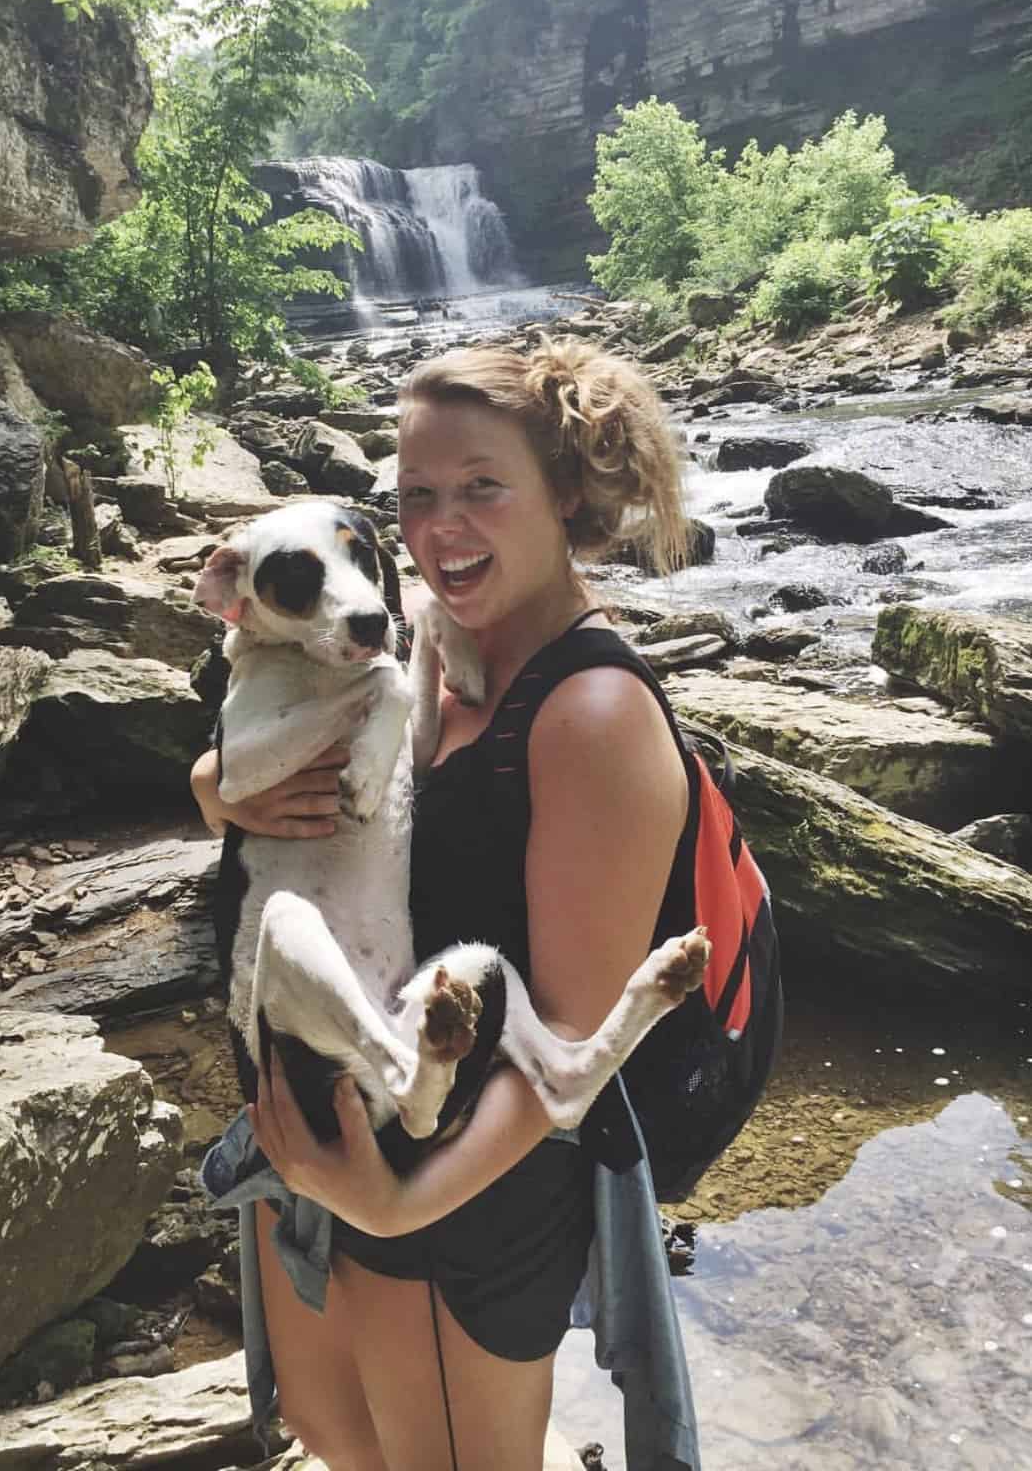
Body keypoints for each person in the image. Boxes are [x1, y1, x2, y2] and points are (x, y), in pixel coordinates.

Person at [190, 337, 702, 1471]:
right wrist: (217, 789)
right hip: (330, 1125)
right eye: (418, 496)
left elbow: (568, 1039)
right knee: (336, 1433)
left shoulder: (595, 713)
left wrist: (397, 1206)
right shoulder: (425, 637)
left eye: (482, 486)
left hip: (465, 1191)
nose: (442, 526)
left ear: (564, 492)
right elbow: (266, 768)